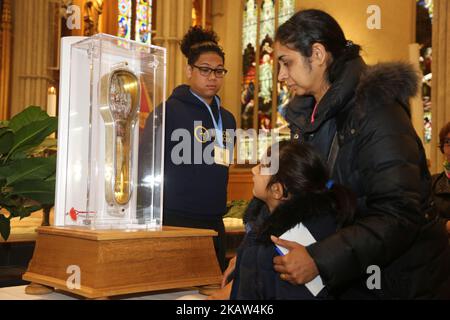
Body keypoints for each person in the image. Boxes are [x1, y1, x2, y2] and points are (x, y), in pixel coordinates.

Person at [221, 9, 449, 299]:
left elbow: (400, 213)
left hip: (400, 280)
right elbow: (305, 200)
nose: (280, 76)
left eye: (286, 63)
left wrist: (320, 259)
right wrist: (253, 256)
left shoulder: (376, 111)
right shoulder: (309, 117)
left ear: (317, 54)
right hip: (349, 272)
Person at [139, 26, 236, 272]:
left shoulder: (229, 119)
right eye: (205, 70)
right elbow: (145, 166)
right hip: (175, 219)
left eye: (218, 71)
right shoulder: (167, 111)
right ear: (189, 70)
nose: (212, 77)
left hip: (214, 219)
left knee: (210, 290)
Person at [230, 141, 356, 299]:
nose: (254, 170)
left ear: (277, 191)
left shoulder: (288, 245)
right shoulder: (262, 223)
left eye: (262, 167)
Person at [431, 122, 450, 234]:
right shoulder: (432, 183)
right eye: (448, 143)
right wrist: (445, 225)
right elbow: (423, 219)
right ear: (443, 148)